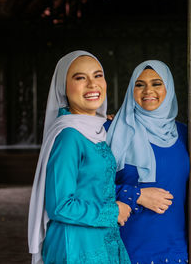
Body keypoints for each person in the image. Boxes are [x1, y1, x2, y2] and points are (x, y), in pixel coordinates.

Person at [28, 51, 131, 264]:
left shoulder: (97, 129)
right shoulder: (69, 136)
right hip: (74, 246)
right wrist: (113, 212)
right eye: (80, 78)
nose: (92, 84)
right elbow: (60, 206)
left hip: (101, 240)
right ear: (63, 87)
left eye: (98, 75)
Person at [106, 60, 189, 264]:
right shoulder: (112, 130)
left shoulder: (185, 134)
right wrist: (137, 195)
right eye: (140, 84)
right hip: (127, 249)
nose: (147, 91)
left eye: (156, 83)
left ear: (168, 88)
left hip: (176, 250)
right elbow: (91, 188)